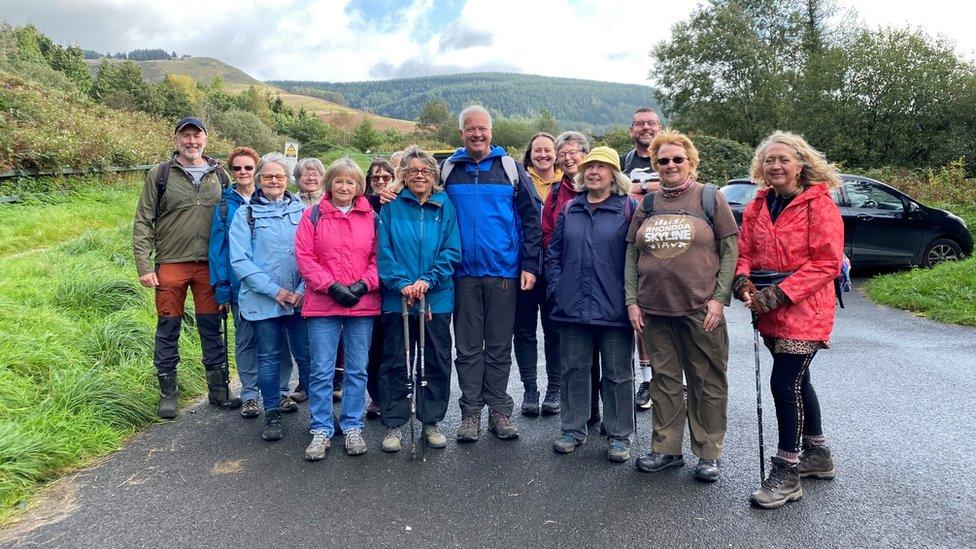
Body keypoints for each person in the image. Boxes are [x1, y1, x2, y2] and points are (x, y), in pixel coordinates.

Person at [733, 131, 844, 509]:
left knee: (784, 382)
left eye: (783, 159)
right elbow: (744, 251)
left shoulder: (819, 204)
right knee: (799, 380)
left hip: (806, 309)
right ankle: (818, 454)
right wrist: (742, 281)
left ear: (801, 164)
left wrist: (779, 294)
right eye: (769, 160)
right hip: (765, 308)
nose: (775, 166)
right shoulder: (757, 205)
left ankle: (787, 471)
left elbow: (827, 263)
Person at [627, 130, 739, 481]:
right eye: (663, 160)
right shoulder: (648, 203)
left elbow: (730, 249)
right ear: (655, 165)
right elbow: (631, 255)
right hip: (655, 310)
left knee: (707, 381)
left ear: (690, 162)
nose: (670, 165)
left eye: (678, 159)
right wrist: (632, 300)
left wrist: (720, 300)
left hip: (699, 310)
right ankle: (666, 449)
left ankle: (708, 453)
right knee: (664, 382)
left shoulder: (709, 198)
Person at [443, 105, 543, 442]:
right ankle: (470, 413)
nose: (477, 134)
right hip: (461, 273)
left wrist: (529, 265)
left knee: (499, 346)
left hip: (503, 272)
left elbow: (532, 219)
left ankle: (499, 410)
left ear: (491, 131)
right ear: (461, 133)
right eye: (470, 129)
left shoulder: (510, 168)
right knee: (468, 348)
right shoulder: (448, 170)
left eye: (482, 129)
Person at [133, 117, 240, 419]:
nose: (191, 141)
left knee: (212, 327)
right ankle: (168, 393)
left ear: (206, 139)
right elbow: (143, 220)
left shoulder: (220, 175)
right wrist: (144, 265)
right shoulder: (161, 174)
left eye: (197, 136)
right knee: (168, 328)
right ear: (176, 139)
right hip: (171, 263)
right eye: (186, 136)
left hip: (209, 266)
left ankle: (218, 391)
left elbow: (232, 220)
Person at [546, 146, 637, 462]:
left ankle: (619, 435)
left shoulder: (629, 208)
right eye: (590, 168)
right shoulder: (571, 208)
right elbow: (554, 253)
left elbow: (638, 258)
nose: (594, 172)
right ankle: (573, 429)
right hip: (572, 306)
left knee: (618, 373)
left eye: (602, 167)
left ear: (615, 174)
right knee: (573, 370)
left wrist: (632, 298)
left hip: (614, 307)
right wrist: (558, 288)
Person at [376, 146, 461, 452]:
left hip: (435, 298)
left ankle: (431, 420)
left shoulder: (444, 205)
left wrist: (427, 281)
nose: (419, 176)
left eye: (425, 171)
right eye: (413, 171)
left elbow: (452, 250)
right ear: (404, 176)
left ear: (434, 175)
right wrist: (402, 283)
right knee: (396, 361)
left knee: (436, 361)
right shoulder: (391, 207)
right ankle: (395, 423)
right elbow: (382, 252)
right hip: (397, 300)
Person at [295, 157, 380, 459]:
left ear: (359, 186)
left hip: (362, 302)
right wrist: (330, 286)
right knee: (321, 370)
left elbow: (379, 257)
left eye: (351, 182)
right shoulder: (312, 215)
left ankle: (353, 425)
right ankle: (320, 428)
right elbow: (305, 258)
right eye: (339, 181)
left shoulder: (371, 217)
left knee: (357, 369)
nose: (344, 187)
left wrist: (362, 285)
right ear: (329, 183)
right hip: (323, 302)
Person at [228, 154, 311, 442]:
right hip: (264, 301)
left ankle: (319, 415)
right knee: (269, 358)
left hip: (301, 300)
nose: (274, 181)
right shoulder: (245, 215)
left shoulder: (304, 212)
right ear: (259, 179)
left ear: (288, 179)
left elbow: (313, 254)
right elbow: (240, 260)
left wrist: (300, 291)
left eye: (279, 176)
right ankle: (272, 412)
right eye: (268, 176)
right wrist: (276, 291)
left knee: (307, 357)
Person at [541, 131, 601, 424]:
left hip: (603, 280)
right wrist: (556, 281)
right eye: (562, 154)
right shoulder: (556, 193)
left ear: (586, 154)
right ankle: (583, 413)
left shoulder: (605, 187)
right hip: (569, 278)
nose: (567, 158)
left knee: (607, 349)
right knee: (576, 351)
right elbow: (549, 236)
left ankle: (606, 412)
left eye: (573, 152)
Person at [208, 146, 264, 419]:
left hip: (270, 285)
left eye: (248, 167)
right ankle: (250, 395)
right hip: (238, 285)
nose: (243, 172)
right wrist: (220, 287)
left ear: (257, 169)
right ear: (231, 172)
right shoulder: (223, 205)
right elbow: (217, 249)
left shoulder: (270, 198)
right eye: (237, 168)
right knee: (245, 340)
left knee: (278, 341)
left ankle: (279, 391)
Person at [515, 132, 563, 416]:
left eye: (548, 150)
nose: (543, 155)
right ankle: (530, 389)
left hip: (556, 268)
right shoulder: (518, 181)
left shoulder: (568, 183)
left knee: (553, 329)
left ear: (555, 153)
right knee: (523, 330)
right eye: (537, 151)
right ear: (529, 154)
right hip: (523, 265)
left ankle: (554, 388)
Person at [620, 107, 663, 408]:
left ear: (660, 128)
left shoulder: (671, 152)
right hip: (637, 240)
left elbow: (679, 183)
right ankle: (648, 381)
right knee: (642, 315)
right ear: (631, 129)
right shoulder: (624, 161)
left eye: (651, 123)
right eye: (640, 124)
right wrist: (654, 187)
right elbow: (619, 190)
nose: (646, 128)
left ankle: (678, 380)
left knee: (678, 311)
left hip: (672, 240)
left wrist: (640, 188)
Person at [290, 157, 328, 404]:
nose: (311, 177)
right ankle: (305, 381)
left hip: (325, 276)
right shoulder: (291, 203)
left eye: (315, 173)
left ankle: (332, 380)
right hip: (296, 271)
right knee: (302, 337)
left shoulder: (331, 200)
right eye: (305, 174)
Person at [363, 157, 397, 419]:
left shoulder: (399, 204)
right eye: (376, 178)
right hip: (370, 285)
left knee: (396, 345)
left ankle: (398, 394)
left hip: (394, 284)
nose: (382, 182)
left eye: (387, 177)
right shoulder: (362, 205)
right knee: (373, 346)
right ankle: (375, 396)